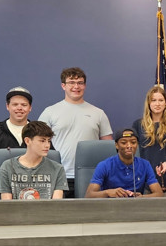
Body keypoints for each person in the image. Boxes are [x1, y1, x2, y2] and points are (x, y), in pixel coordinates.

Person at [38, 67, 112, 196]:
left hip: (92, 177)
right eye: (71, 82)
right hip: (58, 176)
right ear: (63, 86)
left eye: (80, 83)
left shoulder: (98, 113)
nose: (76, 86)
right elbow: (37, 145)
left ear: (85, 86)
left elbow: (108, 148)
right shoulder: (50, 112)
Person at [0, 86, 36, 186]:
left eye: (24, 105)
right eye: (15, 104)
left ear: (30, 108)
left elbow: (49, 160)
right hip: (5, 190)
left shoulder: (39, 133)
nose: (19, 108)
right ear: (7, 106)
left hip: (35, 189)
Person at [131, 85, 166, 194]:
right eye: (154, 100)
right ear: (149, 103)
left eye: (161, 100)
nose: (157, 104)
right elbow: (133, 154)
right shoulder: (138, 125)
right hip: (145, 180)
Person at [0, 121, 67, 200]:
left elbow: (56, 205)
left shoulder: (58, 169)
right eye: (42, 141)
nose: (47, 145)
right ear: (27, 141)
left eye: (49, 141)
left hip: (46, 212)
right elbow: (6, 205)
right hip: (16, 212)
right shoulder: (8, 166)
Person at [85, 129, 163, 198]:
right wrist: (108, 192)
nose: (129, 146)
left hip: (136, 208)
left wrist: (142, 197)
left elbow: (159, 194)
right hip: (110, 209)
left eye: (133, 142)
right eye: (124, 143)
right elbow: (89, 195)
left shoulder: (145, 165)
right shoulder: (104, 165)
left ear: (137, 145)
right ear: (116, 145)